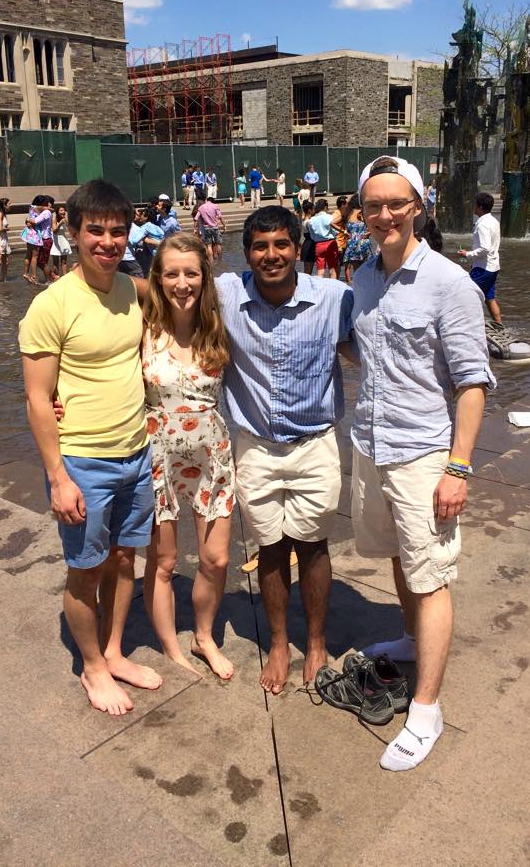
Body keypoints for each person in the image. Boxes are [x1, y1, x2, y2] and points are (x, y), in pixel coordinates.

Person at [351, 155, 494, 771]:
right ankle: (410, 640)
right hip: (371, 446)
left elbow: (471, 383)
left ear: (418, 207)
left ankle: (427, 710)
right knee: (396, 556)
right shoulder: (361, 278)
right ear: (362, 213)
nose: (384, 215)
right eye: (373, 206)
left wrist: (458, 468)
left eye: (396, 204)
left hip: (423, 453)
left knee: (430, 576)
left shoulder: (449, 283)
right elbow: (362, 357)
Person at [18, 179, 160, 716]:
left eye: (117, 231)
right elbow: (36, 398)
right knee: (86, 570)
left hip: (135, 454)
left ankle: (115, 649)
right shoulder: (51, 305)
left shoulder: (130, 288)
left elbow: (182, 290)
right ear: (72, 233)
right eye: (94, 230)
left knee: (125, 560)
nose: (107, 241)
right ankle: (93, 668)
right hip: (83, 460)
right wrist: (57, 476)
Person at [215, 206, 355, 694]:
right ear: (246, 252)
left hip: (315, 444)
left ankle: (315, 641)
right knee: (269, 547)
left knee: (314, 546)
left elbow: (374, 344)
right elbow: (165, 295)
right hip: (255, 446)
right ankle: (278, 642)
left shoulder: (335, 298)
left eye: (280, 245)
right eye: (259, 246)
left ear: (299, 248)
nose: (270, 255)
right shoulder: (227, 294)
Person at [142, 234, 235, 680]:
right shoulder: (141, 327)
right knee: (162, 562)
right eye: (172, 273)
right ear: (158, 278)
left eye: (191, 272)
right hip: (155, 454)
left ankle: (203, 637)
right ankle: (169, 646)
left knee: (215, 559)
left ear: (204, 276)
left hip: (212, 453)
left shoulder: (218, 324)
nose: (182, 283)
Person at [457, 192, 503, 325]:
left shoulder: (482, 224)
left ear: (480, 207)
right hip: (493, 267)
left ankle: (469, 326)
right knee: (490, 298)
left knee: (467, 297)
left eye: (475, 204)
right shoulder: (494, 221)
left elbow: (485, 248)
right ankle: (500, 326)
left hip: (483, 269)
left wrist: (467, 254)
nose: (473, 207)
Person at [341, 196, 372, 283]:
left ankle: (358, 287)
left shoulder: (348, 214)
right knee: (367, 266)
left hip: (352, 243)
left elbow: (332, 222)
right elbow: (372, 225)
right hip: (362, 242)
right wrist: (369, 233)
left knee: (356, 269)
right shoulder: (362, 212)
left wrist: (344, 231)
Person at [308, 198, 338, 279]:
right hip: (330, 243)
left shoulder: (311, 220)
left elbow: (312, 236)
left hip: (319, 245)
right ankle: (333, 288)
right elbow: (335, 231)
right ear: (325, 207)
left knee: (320, 271)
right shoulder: (330, 217)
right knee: (332, 269)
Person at [194, 195, 227, 263]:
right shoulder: (215, 206)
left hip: (206, 228)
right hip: (215, 228)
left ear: (207, 200)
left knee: (209, 245)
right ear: (213, 201)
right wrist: (224, 226)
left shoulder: (201, 207)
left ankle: (211, 261)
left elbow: (196, 219)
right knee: (218, 243)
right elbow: (220, 217)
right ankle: (220, 260)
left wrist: (195, 229)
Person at [22, 195, 45, 284]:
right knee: (35, 256)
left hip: (29, 233)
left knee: (28, 254)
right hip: (34, 233)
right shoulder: (37, 208)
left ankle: (26, 273)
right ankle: (34, 276)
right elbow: (48, 210)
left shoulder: (31, 207)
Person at [330, 195, 350, 278]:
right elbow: (332, 223)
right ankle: (337, 282)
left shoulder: (341, 213)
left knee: (346, 264)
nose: (348, 205)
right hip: (339, 243)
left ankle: (347, 281)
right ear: (342, 204)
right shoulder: (337, 214)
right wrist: (343, 231)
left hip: (343, 242)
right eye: (347, 204)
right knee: (338, 265)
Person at [50, 204, 72, 277]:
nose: (63, 212)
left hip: (63, 241)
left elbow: (70, 229)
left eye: (64, 210)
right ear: (57, 212)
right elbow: (54, 231)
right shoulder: (54, 219)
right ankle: (56, 277)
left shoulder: (66, 219)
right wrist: (60, 224)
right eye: (61, 210)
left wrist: (66, 219)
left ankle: (65, 277)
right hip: (56, 242)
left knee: (64, 261)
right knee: (55, 263)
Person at [300, 200, 316, 274]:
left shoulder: (304, 220)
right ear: (310, 210)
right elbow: (313, 234)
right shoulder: (309, 222)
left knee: (307, 270)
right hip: (310, 246)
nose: (314, 211)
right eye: (313, 209)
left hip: (306, 245)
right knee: (308, 271)